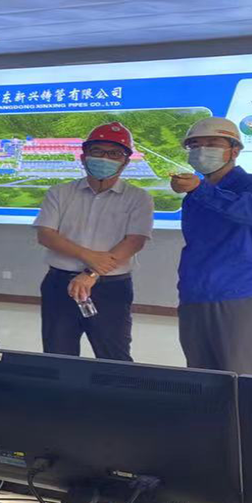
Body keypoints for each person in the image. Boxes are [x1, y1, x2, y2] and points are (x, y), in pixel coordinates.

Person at [34, 123, 153, 361]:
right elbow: (46, 234)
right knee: (58, 355)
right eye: (97, 151)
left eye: (114, 153)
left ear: (125, 161)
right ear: (83, 157)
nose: (105, 158)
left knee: (114, 357)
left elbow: (134, 241)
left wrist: (91, 273)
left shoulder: (139, 198)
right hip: (60, 284)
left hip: (111, 288)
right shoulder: (59, 192)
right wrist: (88, 256)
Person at [172, 117, 252, 375]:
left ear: (234, 150)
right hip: (195, 295)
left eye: (212, 143)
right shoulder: (194, 196)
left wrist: (202, 190)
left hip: (239, 295)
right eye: (195, 146)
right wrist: (199, 190)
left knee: (241, 379)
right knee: (200, 380)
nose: (202, 151)